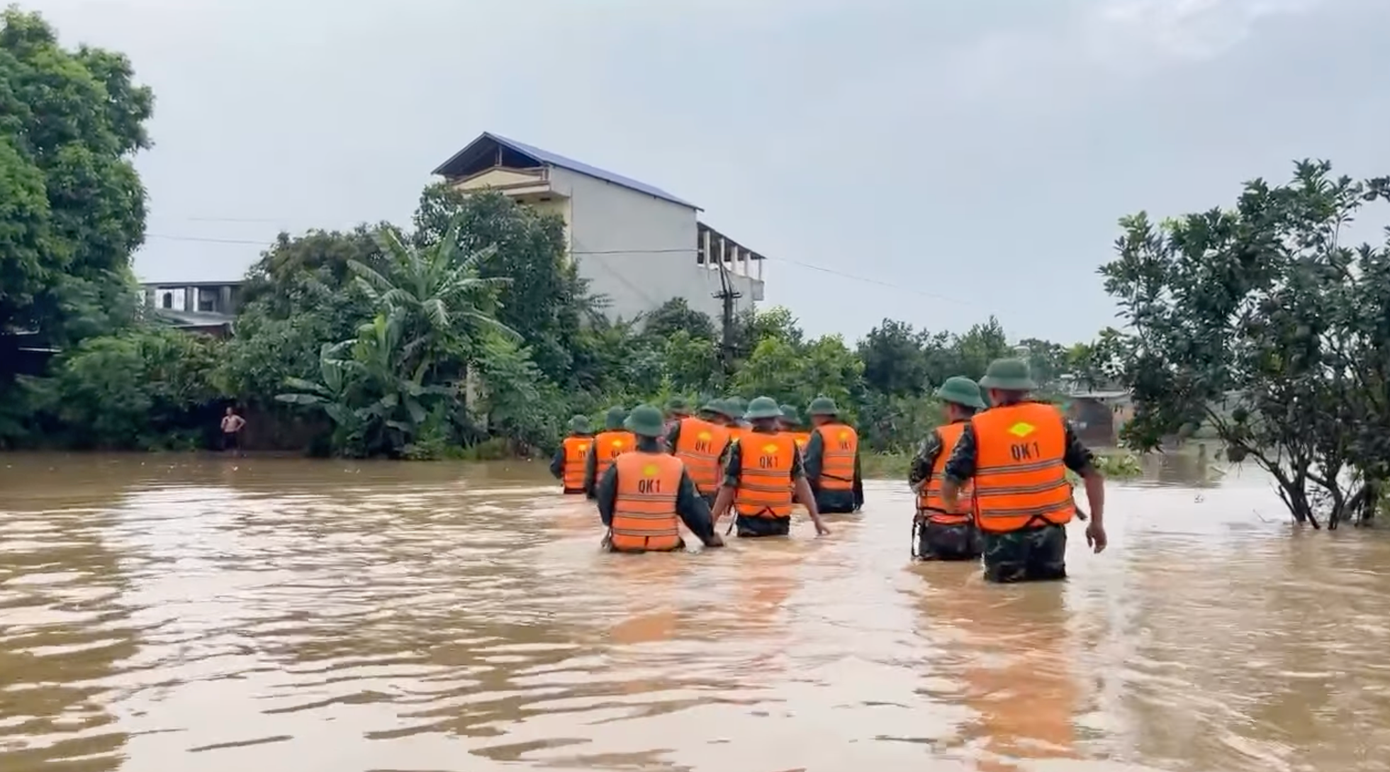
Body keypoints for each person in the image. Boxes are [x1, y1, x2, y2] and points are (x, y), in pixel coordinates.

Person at [941, 358, 1108, 583]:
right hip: (1050, 536)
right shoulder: (1055, 421)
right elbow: (1093, 473)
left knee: (1002, 605)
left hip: (1002, 538)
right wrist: (1096, 523)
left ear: (993, 392)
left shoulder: (978, 428)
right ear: (1026, 390)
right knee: (1050, 602)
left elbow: (951, 481)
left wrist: (956, 509)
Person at [595, 405, 725, 552]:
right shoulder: (676, 466)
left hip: (624, 548)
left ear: (634, 431)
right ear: (660, 433)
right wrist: (709, 537)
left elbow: (603, 500)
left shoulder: (619, 464)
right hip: (665, 548)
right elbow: (692, 510)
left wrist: (611, 523)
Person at [710, 397, 830, 538]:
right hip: (779, 520)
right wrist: (816, 519)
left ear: (752, 420)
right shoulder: (790, 445)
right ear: (776, 419)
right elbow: (801, 483)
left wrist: (711, 522)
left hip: (750, 521)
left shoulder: (741, 445)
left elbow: (728, 486)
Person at [908, 377, 987, 560]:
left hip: (939, 527)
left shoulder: (937, 437)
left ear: (952, 407)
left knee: (935, 583)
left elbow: (915, 479)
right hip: (975, 528)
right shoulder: (986, 435)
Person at [802, 397, 864, 514]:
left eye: (813, 416)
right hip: (847, 496)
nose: (812, 420)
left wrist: (808, 497)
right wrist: (859, 496)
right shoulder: (851, 433)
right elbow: (856, 469)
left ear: (820, 416)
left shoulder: (819, 433)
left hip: (825, 495)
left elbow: (811, 468)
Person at [666, 401, 733, 505]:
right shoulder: (725, 435)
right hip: (707, 492)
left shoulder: (682, 425)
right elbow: (725, 466)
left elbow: (665, 451)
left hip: (678, 485)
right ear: (721, 417)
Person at [584, 406, 635, 499]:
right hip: (628, 489)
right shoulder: (635, 439)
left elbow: (590, 470)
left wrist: (589, 492)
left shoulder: (598, 439)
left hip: (602, 489)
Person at [549, 415, 595, 494]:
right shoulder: (595, 443)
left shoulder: (566, 444)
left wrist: (561, 475)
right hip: (591, 490)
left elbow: (554, 467)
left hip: (571, 489)